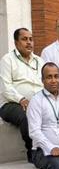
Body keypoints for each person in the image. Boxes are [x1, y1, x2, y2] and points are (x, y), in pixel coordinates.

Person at [0, 28, 44, 160]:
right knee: (27, 115)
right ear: (16, 43)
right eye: (24, 39)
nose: (29, 42)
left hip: (37, 102)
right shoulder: (7, 60)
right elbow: (5, 87)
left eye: (31, 39)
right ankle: (33, 151)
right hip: (11, 104)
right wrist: (21, 99)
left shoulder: (39, 61)